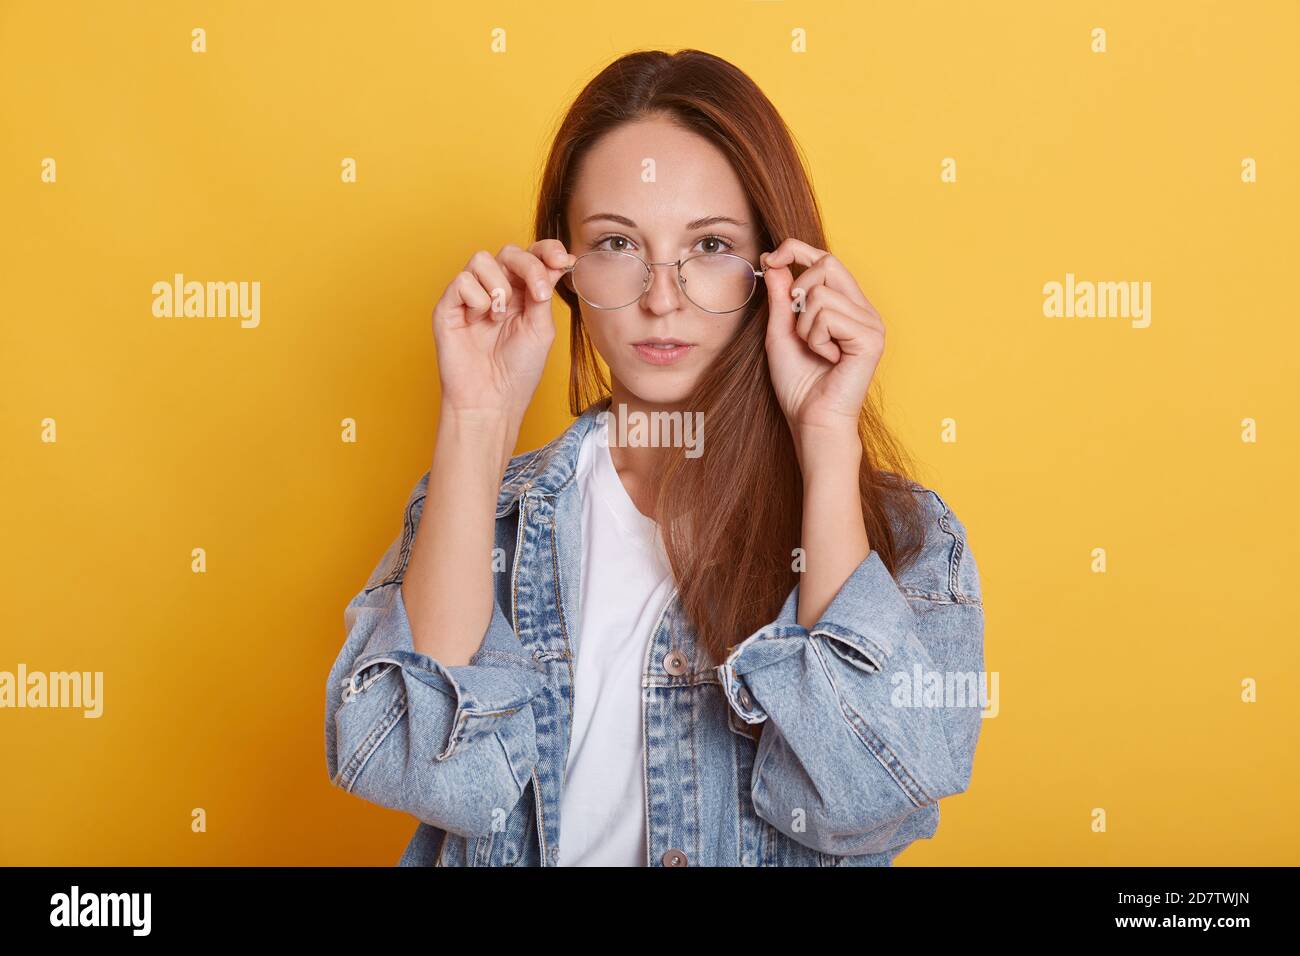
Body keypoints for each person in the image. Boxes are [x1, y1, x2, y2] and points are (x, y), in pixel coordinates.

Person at [324, 48, 985, 867]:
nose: (661, 297)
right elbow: (403, 761)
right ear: (562, 265)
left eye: (709, 246)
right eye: (616, 244)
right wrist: (475, 416)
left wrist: (824, 438)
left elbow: (873, 794)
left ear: (773, 269)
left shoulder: (905, 537)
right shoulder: (485, 515)